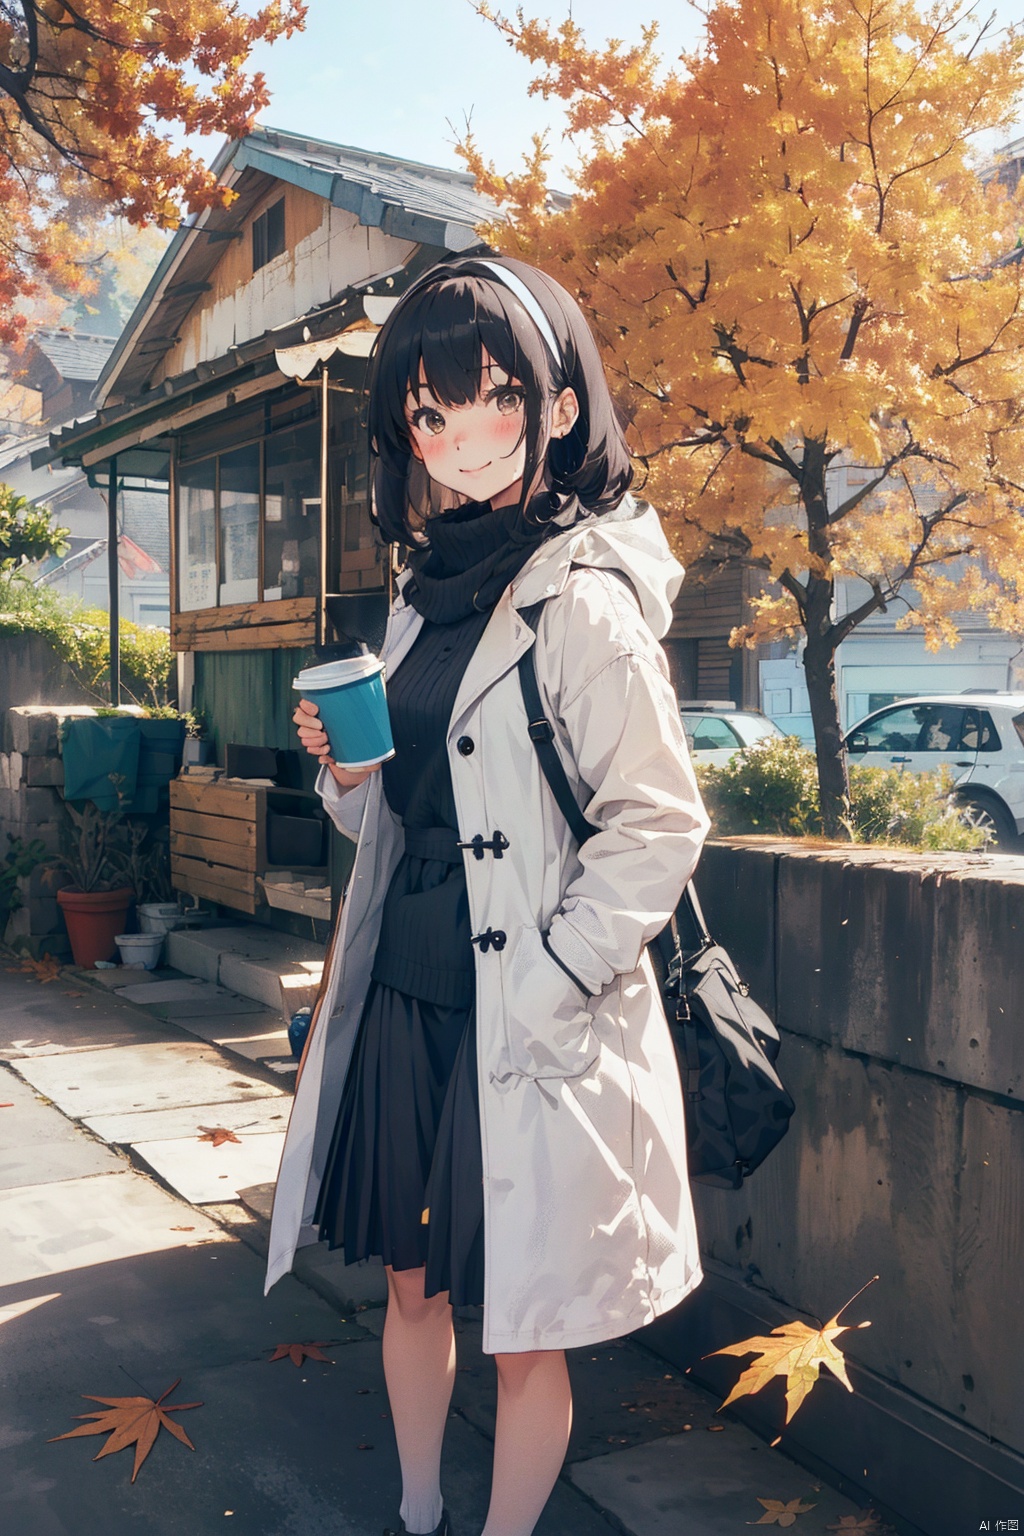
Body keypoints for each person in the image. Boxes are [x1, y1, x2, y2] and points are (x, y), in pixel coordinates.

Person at [265, 254, 710, 1536]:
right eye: (429, 412)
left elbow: (658, 821)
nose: (460, 439)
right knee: (413, 1284)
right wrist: (347, 772)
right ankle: (416, 1509)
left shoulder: (587, 598)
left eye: (493, 402)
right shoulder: (419, 593)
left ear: (560, 407)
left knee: (527, 1321)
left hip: (527, 1010)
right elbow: (400, 812)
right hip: (408, 989)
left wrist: (556, 979)